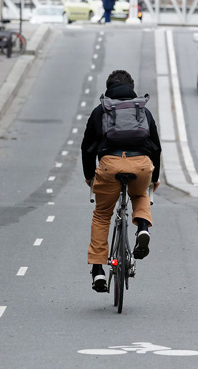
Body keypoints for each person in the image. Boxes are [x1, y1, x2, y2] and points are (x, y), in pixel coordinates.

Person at [80, 69, 162, 292]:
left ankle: (98, 270)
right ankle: (143, 228)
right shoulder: (142, 110)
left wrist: (89, 176)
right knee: (139, 195)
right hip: (141, 164)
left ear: (108, 88)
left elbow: (87, 148)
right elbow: (156, 147)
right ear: (132, 87)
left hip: (110, 165)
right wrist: (154, 178)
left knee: (102, 215)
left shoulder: (101, 110)